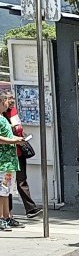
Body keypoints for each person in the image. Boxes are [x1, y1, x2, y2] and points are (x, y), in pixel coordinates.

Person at [3, 92, 41, 218]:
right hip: (7, 155)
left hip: (18, 151)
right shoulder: (2, 115)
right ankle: (8, 214)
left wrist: (21, 135)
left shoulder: (14, 111)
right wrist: (15, 138)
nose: (12, 101)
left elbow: (18, 128)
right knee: (6, 185)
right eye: (8, 99)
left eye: (13, 98)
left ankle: (30, 208)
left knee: (21, 180)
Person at [0, 91, 26, 231]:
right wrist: (14, 140)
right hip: (3, 162)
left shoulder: (4, 118)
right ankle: (2, 217)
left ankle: (7, 216)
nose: (8, 103)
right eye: (5, 100)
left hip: (9, 162)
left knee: (7, 190)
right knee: (2, 191)